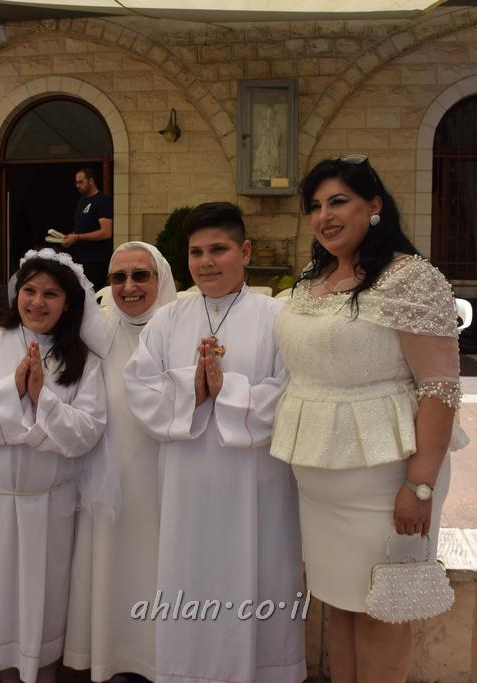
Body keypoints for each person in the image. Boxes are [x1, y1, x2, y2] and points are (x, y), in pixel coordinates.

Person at [270, 156, 467, 683]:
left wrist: (419, 486)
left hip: (386, 482)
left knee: (383, 610)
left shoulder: (410, 278)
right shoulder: (314, 278)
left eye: (338, 201)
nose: (324, 216)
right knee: (340, 602)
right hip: (321, 484)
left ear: (374, 206)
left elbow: (440, 387)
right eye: (315, 206)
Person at [123, 202, 305, 683]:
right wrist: (194, 389)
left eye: (218, 250)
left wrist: (229, 391)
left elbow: (292, 393)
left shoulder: (278, 318)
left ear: (244, 252)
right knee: (189, 575)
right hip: (186, 482)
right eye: (196, 252)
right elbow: (139, 387)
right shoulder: (167, 319)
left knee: (258, 574)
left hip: (256, 484)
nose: (205, 262)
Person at [0, 248, 107, 683]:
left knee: (45, 601)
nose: (37, 302)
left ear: (68, 304)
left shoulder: (84, 360)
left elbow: (87, 432)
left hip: (49, 507)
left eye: (51, 294)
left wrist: (41, 398)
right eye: (30, 290)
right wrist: (12, 389)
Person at [63, 241, 178, 682]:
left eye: (140, 276)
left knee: (158, 570)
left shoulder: (181, 331)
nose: (129, 287)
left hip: (164, 483)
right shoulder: (98, 331)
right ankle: (114, 659)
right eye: (118, 277)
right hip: (109, 485)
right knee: (113, 571)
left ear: (161, 279)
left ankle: (161, 660)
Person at [61, 168, 113, 289]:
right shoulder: (81, 201)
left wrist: (77, 237)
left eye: (81, 182)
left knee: (94, 295)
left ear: (91, 181)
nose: (77, 185)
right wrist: (70, 237)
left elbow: (106, 232)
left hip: (96, 261)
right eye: (76, 183)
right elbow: (81, 228)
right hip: (80, 260)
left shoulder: (102, 201)